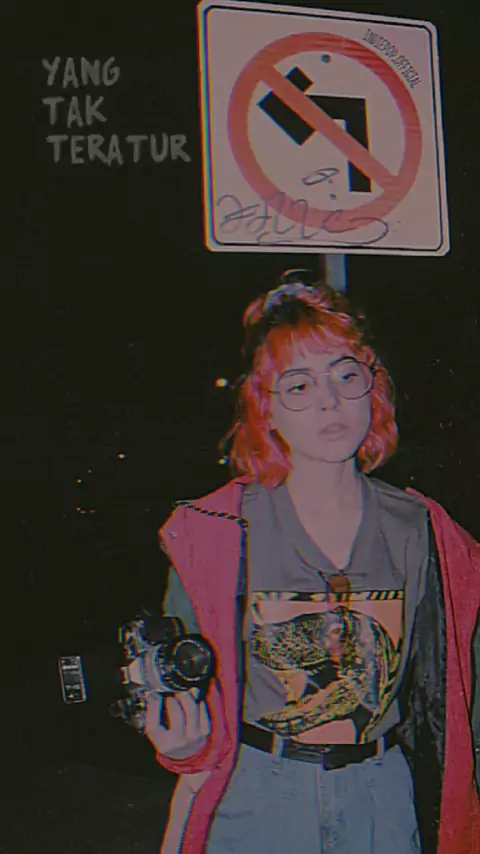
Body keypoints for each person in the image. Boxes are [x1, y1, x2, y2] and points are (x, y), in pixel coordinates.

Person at [144, 275, 480, 854]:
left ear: (372, 390)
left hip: (381, 795)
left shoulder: (424, 530)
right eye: (299, 385)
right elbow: (184, 694)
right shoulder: (218, 530)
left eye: (345, 375)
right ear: (266, 409)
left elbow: (461, 688)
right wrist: (182, 745)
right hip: (259, 795)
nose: (329, 401)